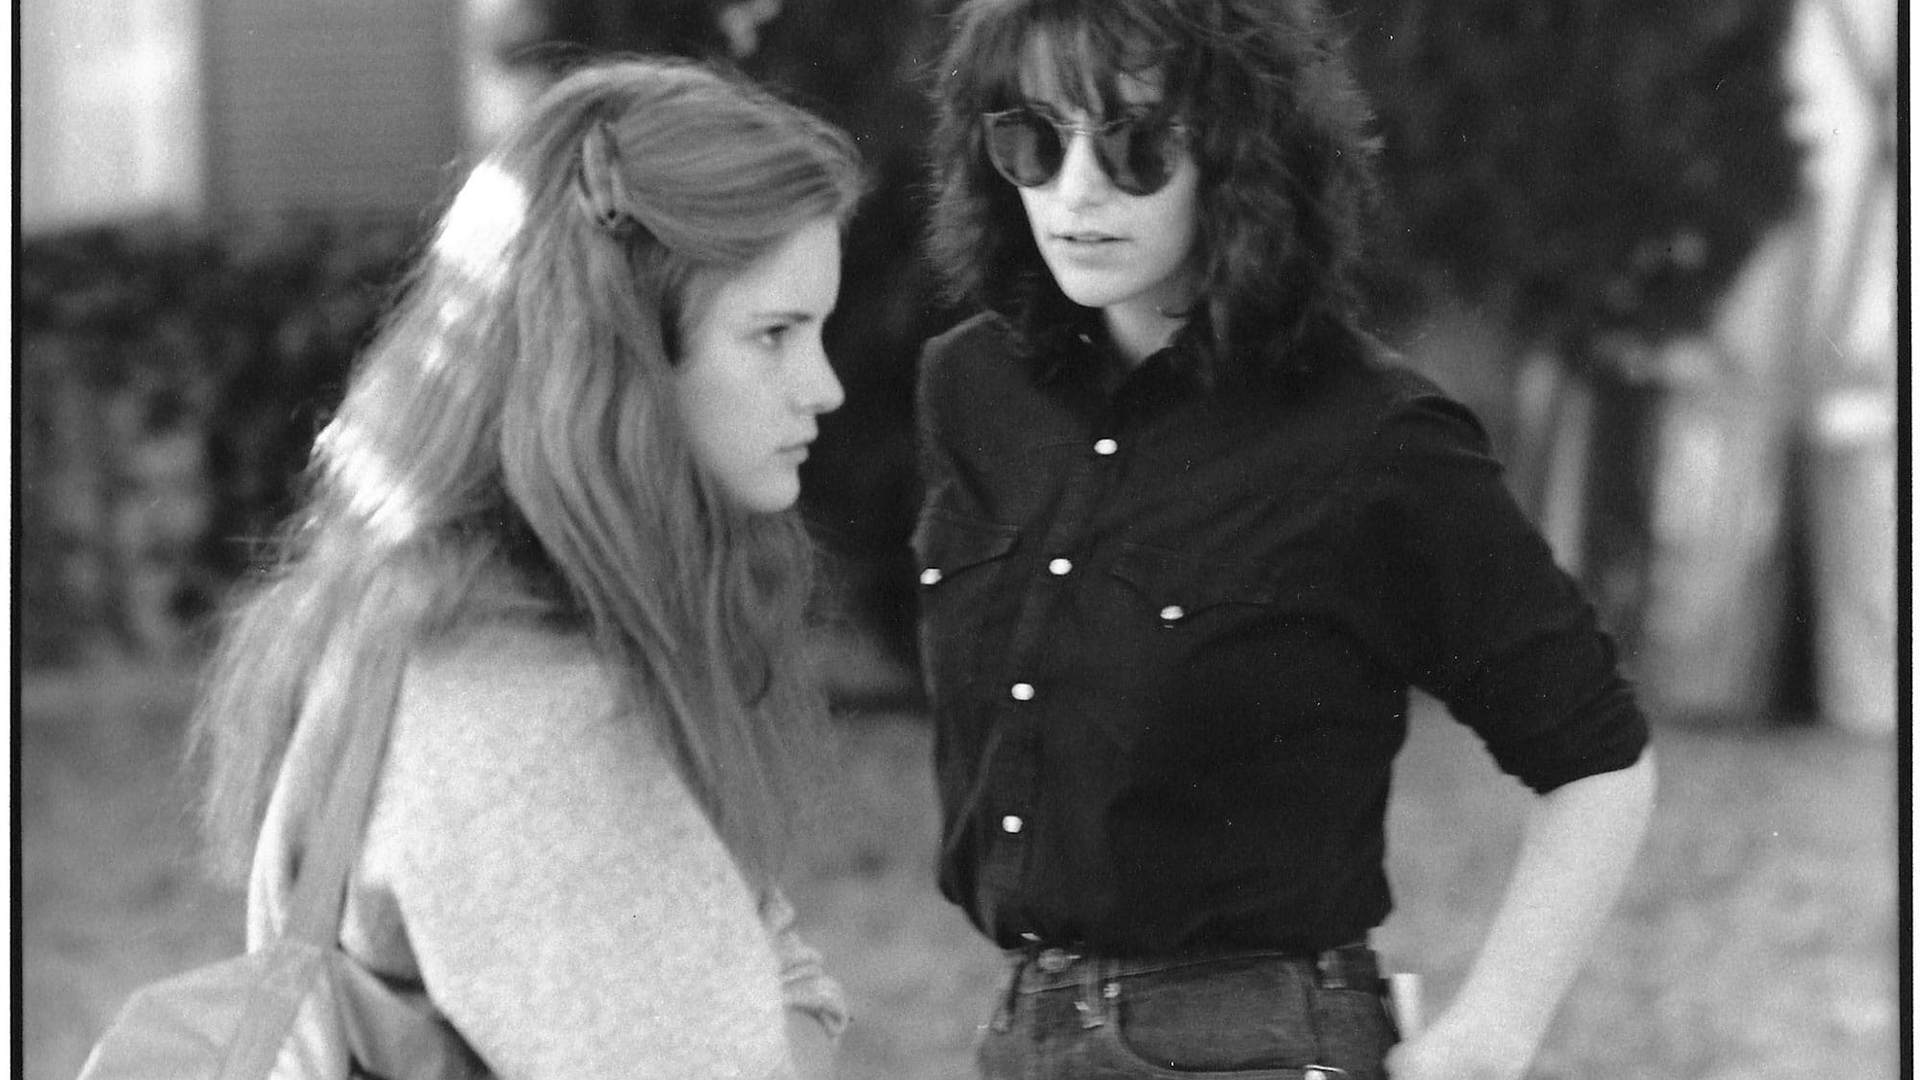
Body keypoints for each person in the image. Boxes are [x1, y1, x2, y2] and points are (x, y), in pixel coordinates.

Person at [914, 2, 1658, 1078]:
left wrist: (1489, 1039)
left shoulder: (1374, 438)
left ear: (1237, 155)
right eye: (1033, 138)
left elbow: (1598, 760)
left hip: (1257, 1045)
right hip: (1020, 1035)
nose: (1074, 191)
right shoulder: (969, 388)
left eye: (1134, 144)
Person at [189, 57, 864, 1079]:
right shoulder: (518, 707)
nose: (824, 387)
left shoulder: (427, 611)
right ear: (622, 356)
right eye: (774, 334)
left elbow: (756, 965)